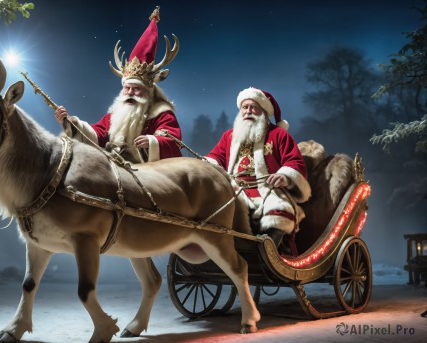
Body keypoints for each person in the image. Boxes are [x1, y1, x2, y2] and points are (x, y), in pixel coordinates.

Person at [54, 7, 182, 163]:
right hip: (117, 169)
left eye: (136, 89)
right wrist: (72, 123)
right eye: (127, 88)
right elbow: (98, 134)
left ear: (148, 91)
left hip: (149, 174)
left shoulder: (161, 113)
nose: (129, 93)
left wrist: (152, 142)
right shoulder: (116, 114)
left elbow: (173, 142)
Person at [205, 87, 311, 250]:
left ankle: (268, 253)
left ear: (263, 112)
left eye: (253, 107)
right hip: (235, 188)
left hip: (268, 189)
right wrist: (205, 166)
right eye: (245, 107)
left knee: (279, 210)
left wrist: (285, 176)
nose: (248, 111)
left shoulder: (279, 135)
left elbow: (294, 160)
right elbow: (216, 157)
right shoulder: (230, 136)